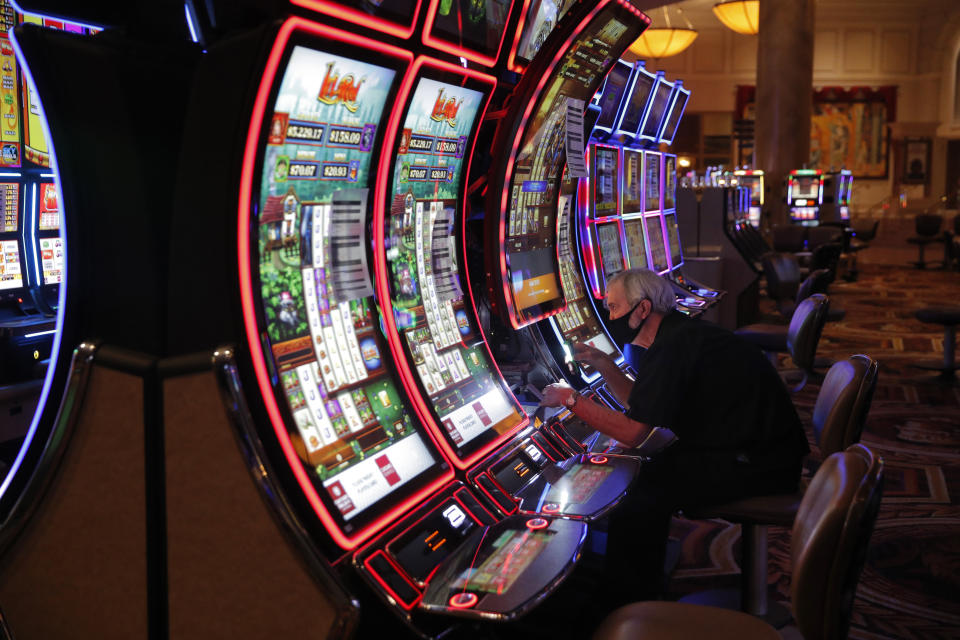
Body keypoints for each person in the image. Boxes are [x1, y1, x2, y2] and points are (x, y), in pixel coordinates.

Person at [540, 268, 809, 606]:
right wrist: (604, 363)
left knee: (640, 488)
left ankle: (627, 601)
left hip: (761, 464)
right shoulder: (678, 334)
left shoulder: (673, 346)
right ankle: (635, 587)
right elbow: (645, 403)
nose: (608, 318)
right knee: (646, 471)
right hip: (756, 449)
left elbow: (636, 431)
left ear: (642, 309)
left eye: (614, 308)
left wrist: (569, 399)